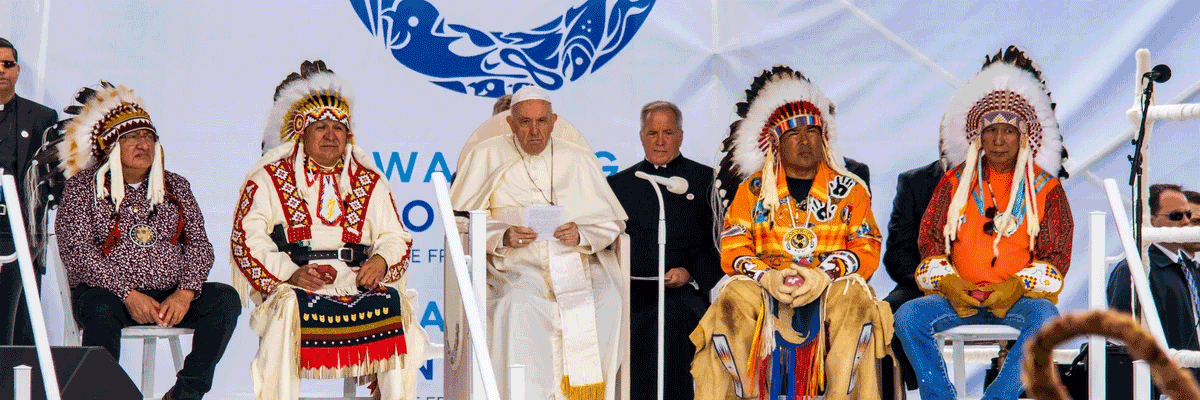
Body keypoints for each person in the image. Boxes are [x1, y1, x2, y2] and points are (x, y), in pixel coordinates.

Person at [230, 60, 424, 400]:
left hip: (354, 280)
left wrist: (380, 262)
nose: (331, 135)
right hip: (293, 285)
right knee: (289, 308)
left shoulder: (370, 179)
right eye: (321, 127)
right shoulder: (269, 177)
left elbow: (396, 236)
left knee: (394, 304)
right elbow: (247, 239)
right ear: (302, 132)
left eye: (339, 128)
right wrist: (291, 273)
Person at [694, 65, 889, 399]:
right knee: (730, 299)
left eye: (812, 133)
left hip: (829, 287)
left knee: (857, 300)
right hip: (765, 286)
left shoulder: (849, 188)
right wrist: (767, 277)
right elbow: (734, 244)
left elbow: (866, 244)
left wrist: (823, 275)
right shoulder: (753, 190)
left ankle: (844, 393)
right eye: (794, 135)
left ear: (823, 138)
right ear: (777, 144)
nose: (804, 141)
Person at [896, 46, 1073, 400]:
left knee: (1046, 316)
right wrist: (949, 283)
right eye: (990, 131)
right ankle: (940, 396)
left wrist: (1014, 287)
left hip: (1017, 300)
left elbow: (1056, 257)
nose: (998, 139)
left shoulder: (1045, 188)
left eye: (1008, 131)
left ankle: (998, 397)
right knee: (907, 316)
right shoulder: (955, 183)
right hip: (959, 298)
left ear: (1024, 135)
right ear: (978, 137)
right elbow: (929, 241)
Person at [55, 82, 240, 400]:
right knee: (99, 308)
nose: (143, 144)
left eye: (149, 136)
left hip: (170, 299)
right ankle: (107, 395)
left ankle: (186, 393)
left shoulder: (176, 186)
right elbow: (79, 252)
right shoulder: (82, 188)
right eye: (131, 137)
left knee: (224, 299)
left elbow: (198, 244)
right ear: (111, 145)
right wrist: (127, 294)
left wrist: (184, 293)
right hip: (109, 298)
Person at [450, 86, 628, 399]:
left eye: (541, 122)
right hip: (517, 265)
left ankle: (584, 395)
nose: (534, 131)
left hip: (577, 261)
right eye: (525, 122)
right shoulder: (486, 156)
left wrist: (582, 234)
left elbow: (610, 221)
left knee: (608, 299)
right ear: (510, 123)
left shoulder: (577, 159)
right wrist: (501, 235)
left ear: (553, 121)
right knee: (520, 304)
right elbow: (460, 221)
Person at [607, 100, 721, 400]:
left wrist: (691, 274)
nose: (660, 141)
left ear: (681, 135)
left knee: (672, 327)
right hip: (633, 297)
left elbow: (722, 243)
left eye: (668, 132)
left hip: (685, 299)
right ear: (641, 136)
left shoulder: (708, 181)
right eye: (652, 132)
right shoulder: (618, 185)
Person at [0, 37, 60, 347]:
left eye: (7, 64)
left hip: (22, 233)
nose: (1, 71)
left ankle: (18, 392)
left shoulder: (41, 117)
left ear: (18, 70)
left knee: (22, 328)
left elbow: (53, 178)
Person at [1107, 183, 1200, 383]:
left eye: (1188, 215)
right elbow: (1122, 342)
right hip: (1162, 386)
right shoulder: (1133, 271)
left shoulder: (1187, 268)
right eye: (1176, 216)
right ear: (1150, 221)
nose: (1186, 222)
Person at [879, 157, 948, 396]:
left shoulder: (1003, 180)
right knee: (883, 315)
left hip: (990, 283)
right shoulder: (914, 182)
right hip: (922, 284)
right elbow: (898, 252)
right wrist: (930, 280)